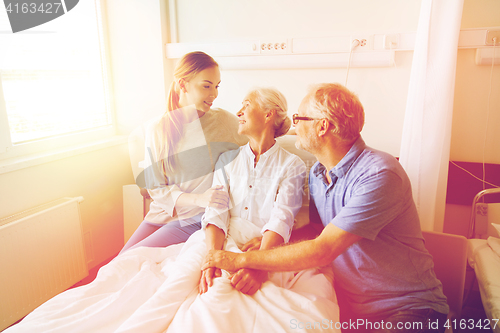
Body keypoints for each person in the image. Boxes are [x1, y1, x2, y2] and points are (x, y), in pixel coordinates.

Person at [202, 83, 449, 332]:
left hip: (408, 310)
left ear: (322, 126)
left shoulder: (379, 174)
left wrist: (245, 260)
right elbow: (318, 232)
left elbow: (324, 249)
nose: (293, 125)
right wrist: (268, 244)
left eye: (299, 118)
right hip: (352, 311)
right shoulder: (319, 175)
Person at [120, 51, 247, 254]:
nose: (214, 94)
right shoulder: (157, 129)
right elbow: (155, 188)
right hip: (160, 214)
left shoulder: (223, 121)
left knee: (131, 259)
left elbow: (261, 136)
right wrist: (199, 198)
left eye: (217, 86)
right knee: (120, 260)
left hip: (194, 218)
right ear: (183, 84)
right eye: (206, 86)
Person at [199, 87, 306, 295]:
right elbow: (215, 212)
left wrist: (260, 267)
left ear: (268, 114)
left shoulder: (293, 165)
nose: (239, 112)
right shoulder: (227, 159)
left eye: (246, 105)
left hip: (263, 250)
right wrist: (212, 257)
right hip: (219, 243)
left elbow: (282, 218)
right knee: (202, 289)